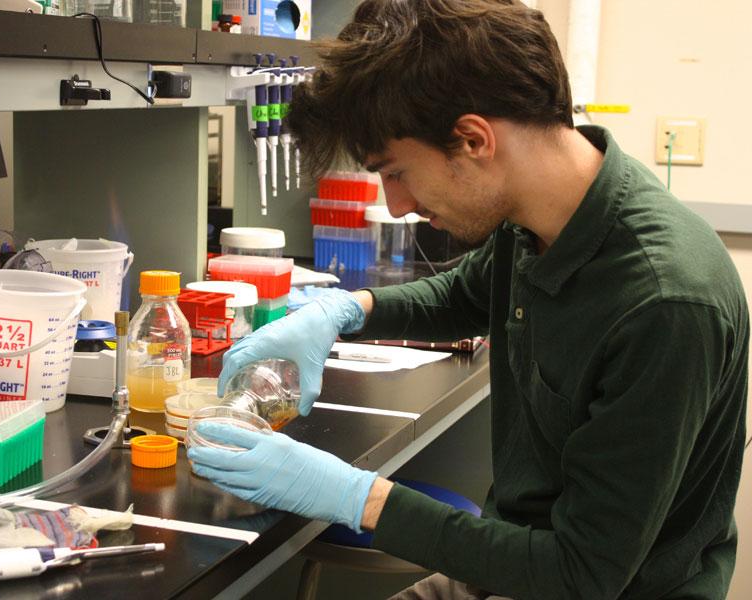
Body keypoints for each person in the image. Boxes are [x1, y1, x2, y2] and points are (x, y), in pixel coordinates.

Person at [186, 1, 749, 598]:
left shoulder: (663, 303)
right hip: (520, 561)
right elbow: (464, 291)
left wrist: (357, 496)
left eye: (397, 171)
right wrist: (345, 311)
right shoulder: (540, 212)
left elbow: (582, 575)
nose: (396, 205)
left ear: (474, 139)